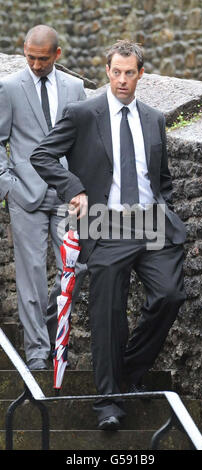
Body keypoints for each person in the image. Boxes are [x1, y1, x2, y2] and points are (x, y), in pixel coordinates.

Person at [30, 40, 186, 429]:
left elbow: (161, 177)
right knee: (108, 311)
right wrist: (74, 188)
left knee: (170, 294)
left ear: (140, 75)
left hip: (151, 222)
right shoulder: (83, 113)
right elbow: (43, 155)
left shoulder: (154, 119)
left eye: (129, 73)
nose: (122, 80)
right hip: (105, 222)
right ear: (106, 72)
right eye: (115, 72)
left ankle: (127, 371)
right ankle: (108, 403)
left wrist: (164, 207)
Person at [0, 25, 86, 370]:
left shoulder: (75, 88)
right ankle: (37, 352)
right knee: (31, 273)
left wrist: (82, 186)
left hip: (67, 196)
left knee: (77, 267)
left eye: (43, 59)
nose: (35, 65)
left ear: (57, 55)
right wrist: (8, 185)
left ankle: (50, 327)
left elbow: (84, 141)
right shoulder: (8, 89)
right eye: (30, 58)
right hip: (26, 195)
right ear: (24, 51)